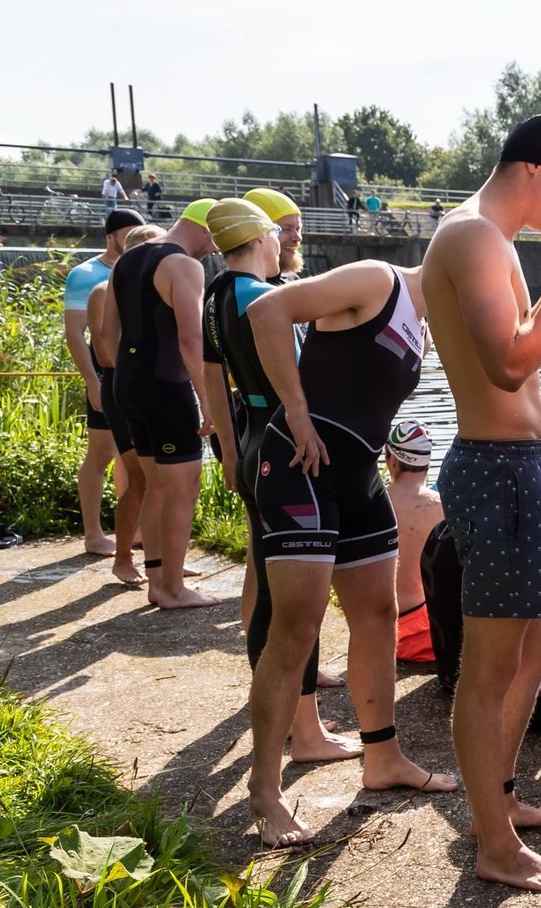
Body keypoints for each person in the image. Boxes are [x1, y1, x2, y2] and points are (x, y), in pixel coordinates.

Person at [421, 112, 541, 894]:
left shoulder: (482, 238)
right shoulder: (472, 238)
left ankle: (500, 796)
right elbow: (509, 363)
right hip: (496, 465)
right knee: (489, 666)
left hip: (518, 463)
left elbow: (519, 356)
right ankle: (492, 840)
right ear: (533, 166)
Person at [245, 236, 457, 848]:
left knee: (378, 615)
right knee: (297, 626)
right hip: (298, 464)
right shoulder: (376, 279)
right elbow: (267, 312)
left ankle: (382, 757)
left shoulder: (424, 320)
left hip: (360, 473)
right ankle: (265, 789)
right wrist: (297, 410)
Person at [200, 198, 354, 765]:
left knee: (268, 587)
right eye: (277, 236)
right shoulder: (265, 299)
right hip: (285, 447)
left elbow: (211, 377)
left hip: (248, 440)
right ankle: (306, 730)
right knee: (298, 602)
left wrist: (225, 446)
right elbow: (303, 380)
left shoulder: (213, 298)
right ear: (262, 239)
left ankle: (288, 717)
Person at [98, 198, 219, 609]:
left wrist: (130, 376)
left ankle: (157, 580)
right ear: (203, 228)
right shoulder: (184, 265)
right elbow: (190, 340)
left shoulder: (126, 261)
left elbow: (106, 333)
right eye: (216, 240)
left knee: (154, 487)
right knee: (182, 490)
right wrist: (207, 401)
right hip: (167, 387)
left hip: (127, 384)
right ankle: (173, 588)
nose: (215, 250)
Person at [64, 209, 145, 556]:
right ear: (110, 236)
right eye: (126, 234)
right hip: (106, 374)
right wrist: (91, 380)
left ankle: (137, 532)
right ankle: (94, 533)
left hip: (135, 378)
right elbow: (74, 334)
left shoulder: (142, 267)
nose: (132, 241)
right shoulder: (86, 276)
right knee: (101, 454)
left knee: (136, 457)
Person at [387, 420, 442, 663]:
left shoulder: (372, 502)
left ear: (393, 461)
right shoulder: (443, 507)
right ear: (427, 464)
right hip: (429, 634)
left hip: (383, 631)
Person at [244, 188, 304, 277]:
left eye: (298, 229)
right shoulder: (236, 286)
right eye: (286, 229)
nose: (298, 238)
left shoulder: (292, 278)